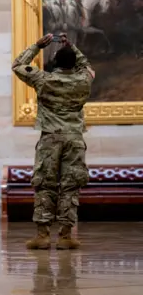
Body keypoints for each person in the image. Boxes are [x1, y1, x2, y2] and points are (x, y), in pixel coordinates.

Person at [12, 33, 95, 250]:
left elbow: (18, 64)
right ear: (74, 63)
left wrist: (37, 46)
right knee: (70, 187)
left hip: (50, 138)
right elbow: (87, 66)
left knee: (45, 185)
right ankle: (66, 236)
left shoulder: (43, 79)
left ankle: (43, 235)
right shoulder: (84, 80)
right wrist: (73, 47)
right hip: (74, 139)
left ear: (54, 62)